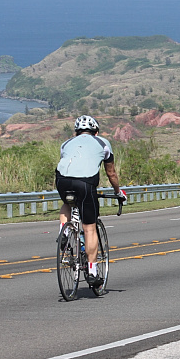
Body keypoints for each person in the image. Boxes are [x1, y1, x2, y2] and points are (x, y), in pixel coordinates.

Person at [55, 115, 126, 287]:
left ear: (76, 132)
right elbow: (111, 173)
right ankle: (93, 272)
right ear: (96, 132)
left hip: (62, 180)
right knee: (89, 228)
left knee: (67, 203)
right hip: (85, 183)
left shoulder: (66, 144)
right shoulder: (102, 143)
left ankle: (64, 232)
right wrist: (118, 192)